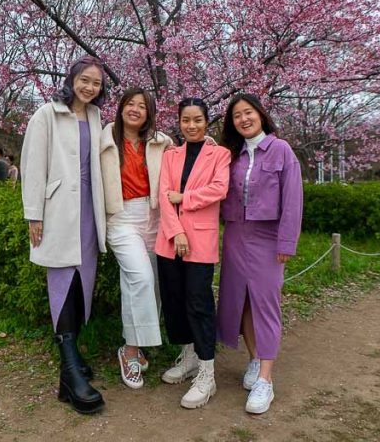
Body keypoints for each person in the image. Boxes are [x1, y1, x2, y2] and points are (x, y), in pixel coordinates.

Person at [20, 57, 108, 414]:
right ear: (71, 80)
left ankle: (69, 373)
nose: (89, 88)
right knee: (62, 283)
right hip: (57, 212)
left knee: (81, 284)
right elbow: (32, 165)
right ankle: (72, 371)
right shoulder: (47, 114)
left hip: (88, 210)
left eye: (97, 84)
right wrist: (33, 214)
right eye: (84, 80)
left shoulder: (98, 118)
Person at [217, 93, 303, 414]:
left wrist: (286, 242)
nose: (243, 119)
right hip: (236, 235)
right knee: (240, 303)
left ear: (261, 115)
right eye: (237, 115)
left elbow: (293, 199)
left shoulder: (281, 150)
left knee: (266, 305)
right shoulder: (233, 156)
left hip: (268, 238)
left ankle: (266, 380)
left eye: (248, 112)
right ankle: (254, 359)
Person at [156, 97, 231, 409]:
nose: (191, 126)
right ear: (179, 122)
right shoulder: (171, 155)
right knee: (174, 302)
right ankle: (187, 358)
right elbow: (163, 194)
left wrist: (184, 197)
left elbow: (219, 189)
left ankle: (206, 372)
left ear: (206, 121)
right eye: (186, 120)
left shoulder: (220, 154)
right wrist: (177, 232)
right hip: (169, 240)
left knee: (199, 303)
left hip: (200, 243)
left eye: (197, 120)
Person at [99, 88, 172, 389]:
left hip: (153, 215)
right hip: (120, 217)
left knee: (149, 283)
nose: (135, 109)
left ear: (149, 112)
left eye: (142, 106)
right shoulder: (104, 138)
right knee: (139, 277)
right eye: (130, 103)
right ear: (121, 108)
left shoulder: (159, 141)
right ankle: (129, 351)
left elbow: (183, 160)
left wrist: (206, 144)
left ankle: (136, 345)